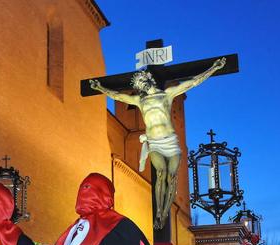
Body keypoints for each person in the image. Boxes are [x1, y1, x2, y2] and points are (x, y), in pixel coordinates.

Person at [89, 58, 226, 229]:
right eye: (138, 85)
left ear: (149, 79)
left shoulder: (166, 95)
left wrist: (213, 68)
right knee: (160, 173)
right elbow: (117, 95)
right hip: (154, 142)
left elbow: (192, 82)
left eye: (142, 82)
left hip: (170, 141)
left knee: (171, 177)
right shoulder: (140, 101)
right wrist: (100, 88)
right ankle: (159, 212)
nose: (141, 86)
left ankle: (166, 209)